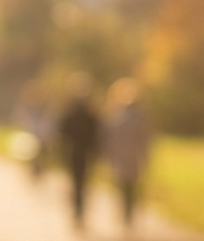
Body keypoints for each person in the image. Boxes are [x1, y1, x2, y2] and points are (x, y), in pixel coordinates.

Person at [104, 78, 152, 232]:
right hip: (132, 157)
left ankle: (126, 215)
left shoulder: (116, 117)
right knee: (130, 188)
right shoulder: (139, 118)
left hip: (122, 157)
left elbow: (110, 139)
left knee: (123, 188)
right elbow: (145, 140)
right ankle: (128, 215)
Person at [57, 73, 100, 231]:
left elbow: (62, 133)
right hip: (83, 153)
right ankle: (79, 212)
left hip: (75, 152)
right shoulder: (88, 112)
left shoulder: (71, 111)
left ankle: (78, 212)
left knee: (77, 184)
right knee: (82, 184)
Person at [14, 81, 55, 181]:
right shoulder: (27, 108)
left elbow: (48, 124)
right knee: (31, 158)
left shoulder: (45, 109)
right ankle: (33, 172)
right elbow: (21, 120)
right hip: (31, 136)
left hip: (42, 137)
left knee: (41, 157)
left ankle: (38, 172)